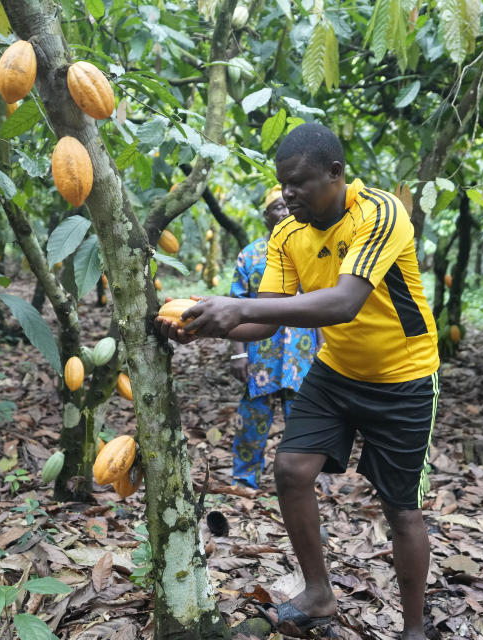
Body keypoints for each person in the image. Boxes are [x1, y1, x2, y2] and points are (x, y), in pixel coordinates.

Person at [156, 122, 439, 640]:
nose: (288, 193)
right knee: (289, 468)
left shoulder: (379, 213)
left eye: (300, 182)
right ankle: (318, 594)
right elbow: (268, 320)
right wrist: (202, 324)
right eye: (283, 183)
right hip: (336, 372)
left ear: (336, 173)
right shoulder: (288, 234)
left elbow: (344, 302)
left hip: (405, 377)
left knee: (400, 508)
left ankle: (415, 628)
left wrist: (239, 305)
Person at [228, 185, 319, 489]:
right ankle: (244, 479)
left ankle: (305, 480)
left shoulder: (310, 249)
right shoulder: (250, 255)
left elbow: (321, 306)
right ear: (266, 216)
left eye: (286, 206)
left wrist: (323, 350)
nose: (283, 212)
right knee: (252, 421)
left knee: (303, 421)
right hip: (261, 354)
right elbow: (235, 307)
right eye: (276, 208)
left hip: (301, 355)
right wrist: (239, 354)